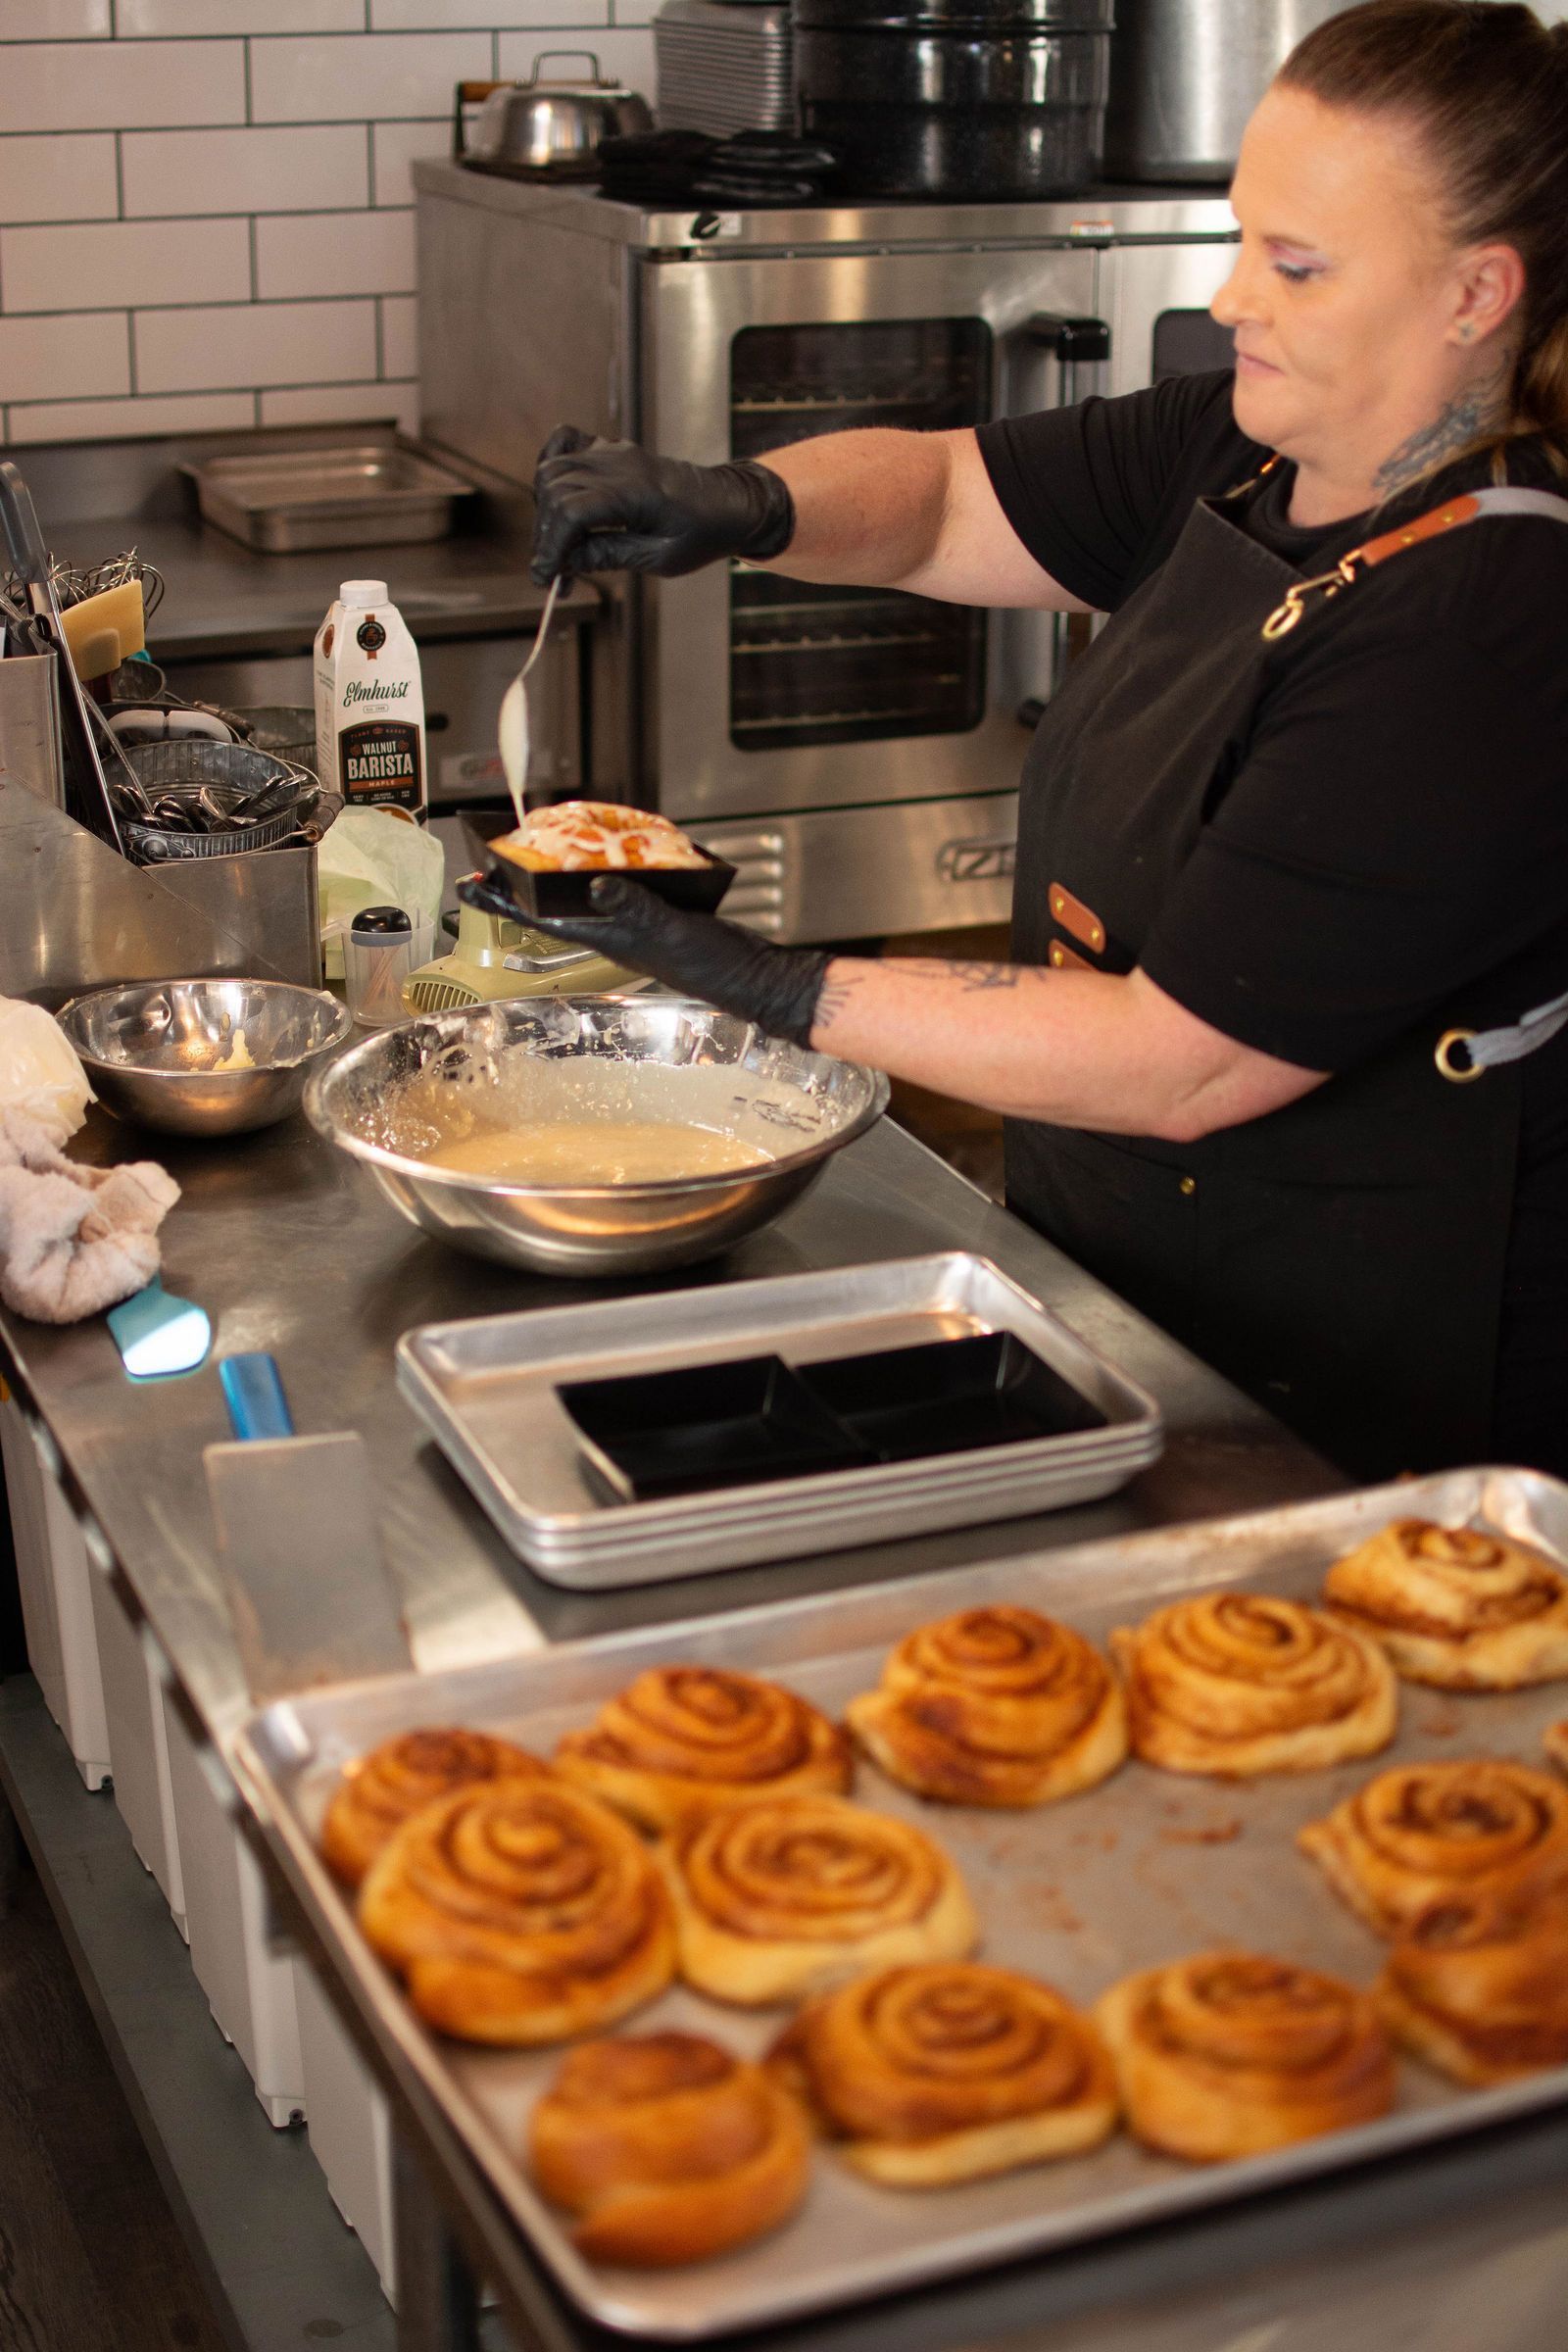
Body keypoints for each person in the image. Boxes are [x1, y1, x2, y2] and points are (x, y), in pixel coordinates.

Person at [518, 0, 1568, 1483]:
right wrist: (740, 500)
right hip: (1150, 1283)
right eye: (1242, 237)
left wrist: (765, 983)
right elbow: (953, 496)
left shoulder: (1488, 615)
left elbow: (1180, 1063)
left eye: (1297, 265)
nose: (1230, 296)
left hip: (1381, 1389)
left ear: (1477, 293)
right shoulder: (1256, 447)